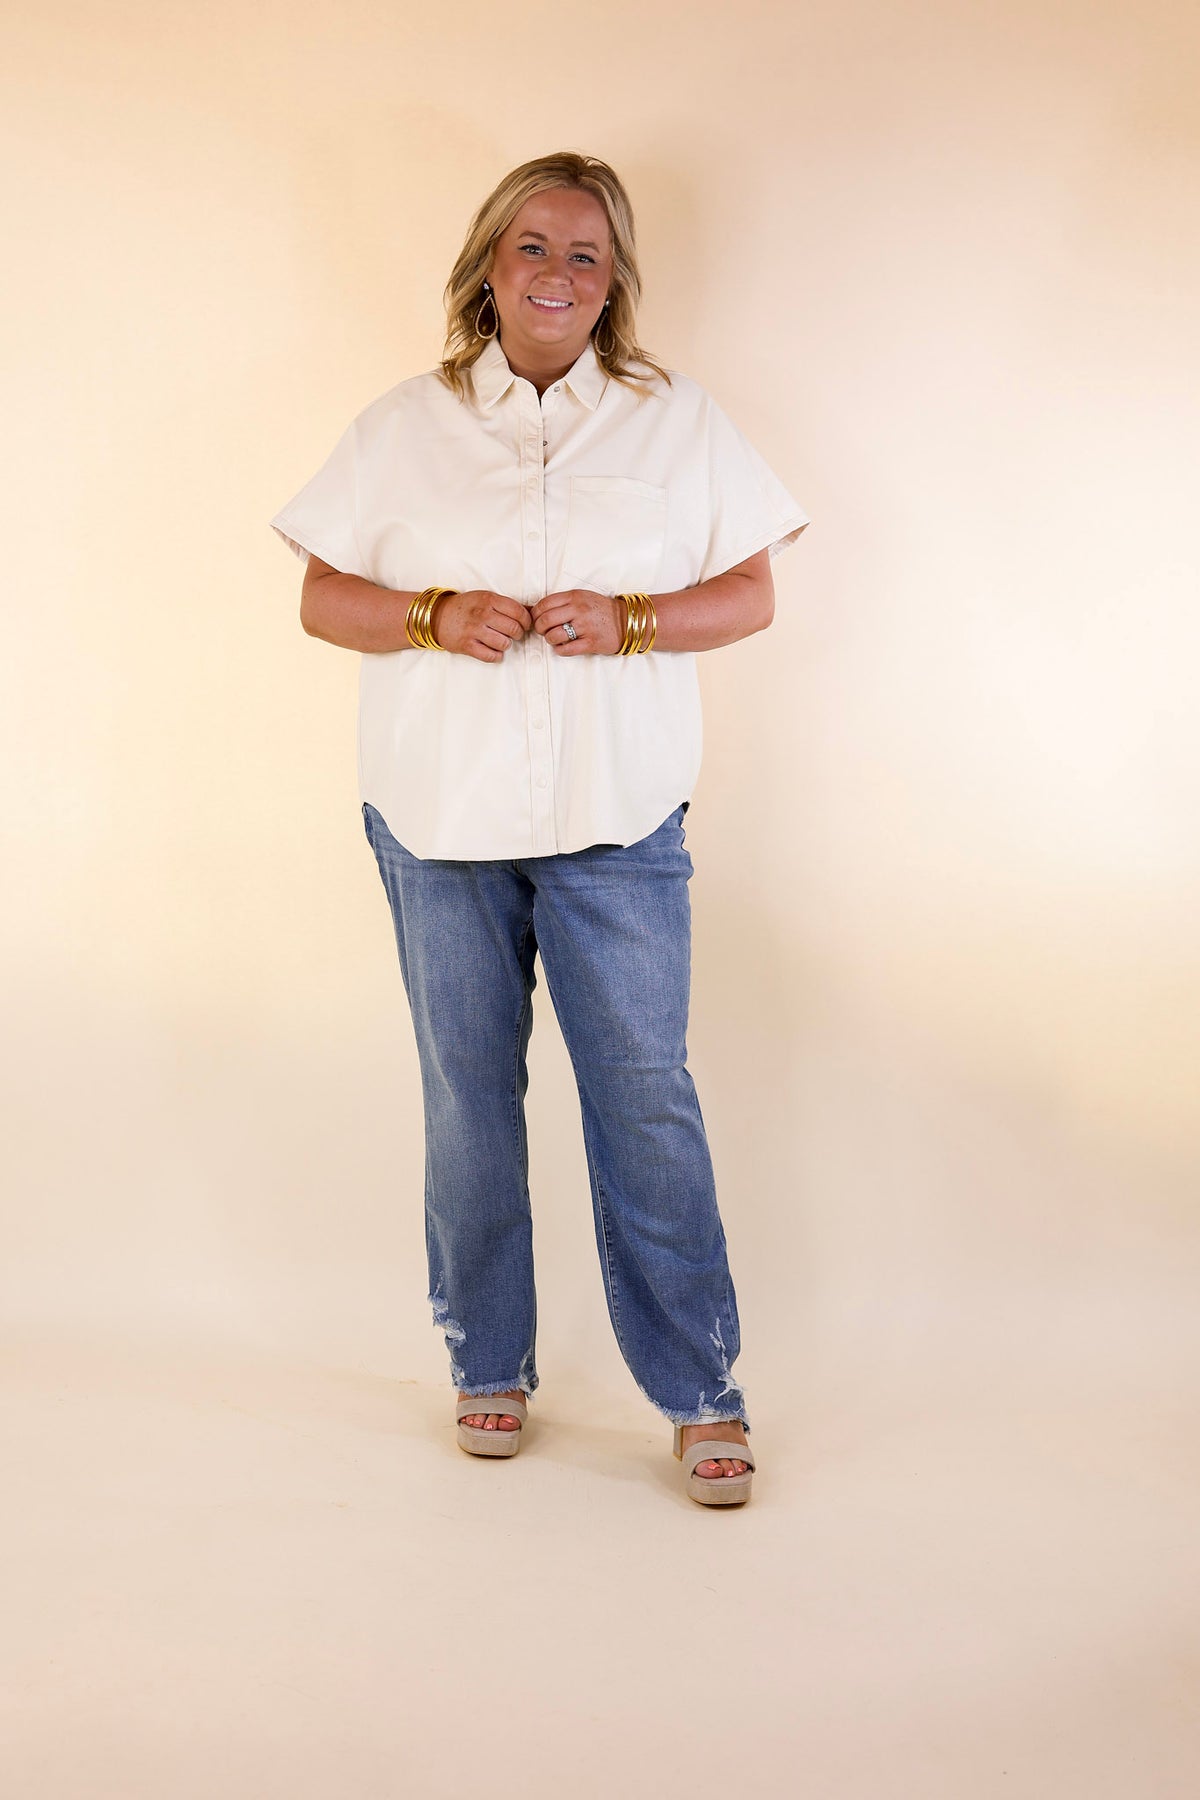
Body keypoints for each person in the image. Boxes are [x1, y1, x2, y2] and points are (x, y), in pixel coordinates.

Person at [270, 150, 809, 1507]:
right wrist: (430, 614)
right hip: (438, 816)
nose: (557, 274)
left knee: (645, 1098)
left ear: (613, 280)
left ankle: (701, 1390)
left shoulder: (675, 422)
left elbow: (750, 591)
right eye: (533, 247)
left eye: (585, 253)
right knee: (468, 1096)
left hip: (617, 818)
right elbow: (322, 595)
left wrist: (632, 621)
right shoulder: (406, 424)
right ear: (488, 267)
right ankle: (488, 1361)